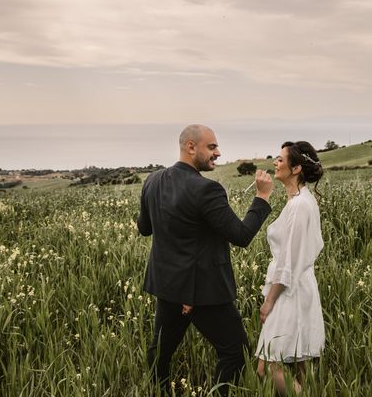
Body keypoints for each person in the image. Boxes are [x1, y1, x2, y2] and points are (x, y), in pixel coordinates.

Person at [137, 124, 274, 396]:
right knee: (235, 352)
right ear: (191, 147)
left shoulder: (152, 181)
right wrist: (262, 197)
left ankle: (160, 391)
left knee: (160, 351)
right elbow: (241, 235)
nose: (218, 153)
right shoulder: (207, 190)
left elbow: (144, 228)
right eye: (212, 147)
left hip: (168, 288)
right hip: (203, 289)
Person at [255, 141, 325, 395]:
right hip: (299, 286)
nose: (276, 162)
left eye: (281, 159)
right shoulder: (301, 200)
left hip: (289, 290)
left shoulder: (299, 205)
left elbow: (289, 261)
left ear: (296, 169)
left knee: (268, 366)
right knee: (299, 363)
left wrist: (269, 300)